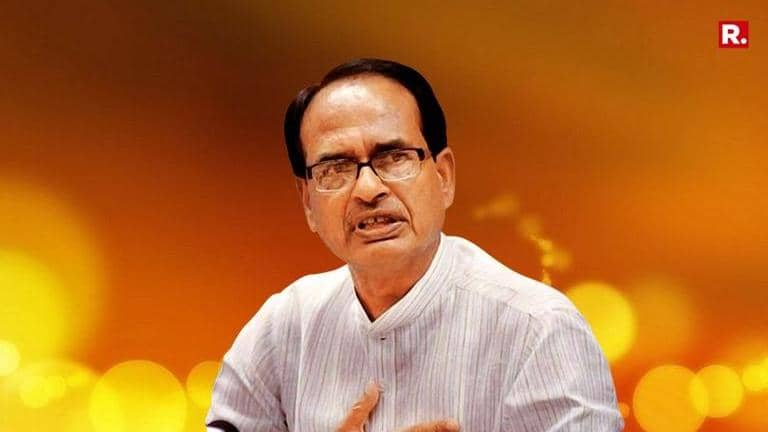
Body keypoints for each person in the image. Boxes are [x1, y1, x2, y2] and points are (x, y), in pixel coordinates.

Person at [206, 58, 623, 432]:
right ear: (307, 202)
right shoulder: (283, 328)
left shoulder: (538, 330)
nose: (367, 189)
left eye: (394, 157)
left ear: (443, 177)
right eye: (336, 168)